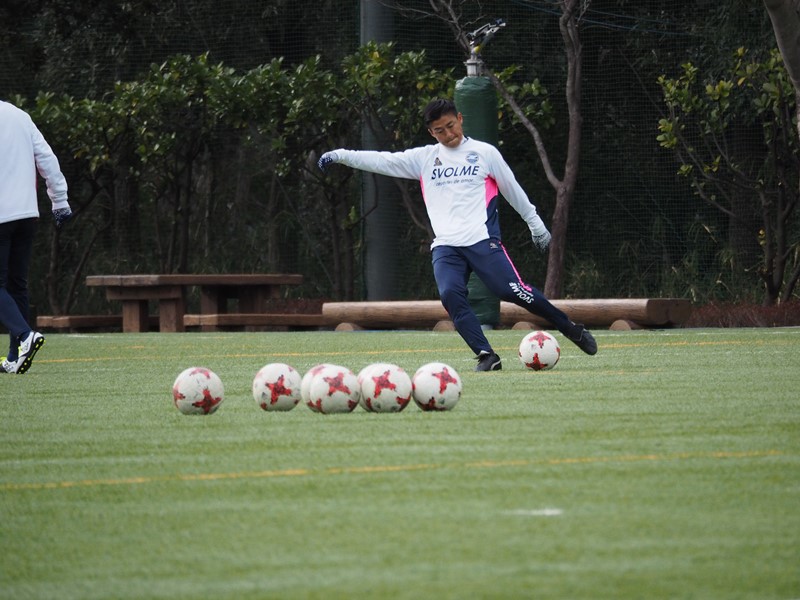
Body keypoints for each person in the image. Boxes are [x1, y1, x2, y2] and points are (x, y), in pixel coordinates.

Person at [318, 98, 597, 371]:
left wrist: (535, 224)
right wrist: (341, 155)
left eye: (451, 126)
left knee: (512, 292)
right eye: (440, 130)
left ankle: (571, 329)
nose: (448, 134)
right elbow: (382, 161)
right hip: (446, 247)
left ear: (460, 119)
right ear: (431, 132)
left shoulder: (485, 153)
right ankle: (486, 355)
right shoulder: (424, 159)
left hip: (482, 241)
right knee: (450, 294)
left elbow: (512, 189)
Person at [0, 100, 72, 374]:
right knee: (16, 285)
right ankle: (14, 357)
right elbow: (46, 158)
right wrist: (60, 201)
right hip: (27, 214)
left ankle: (25, 335)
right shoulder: (19, 115)